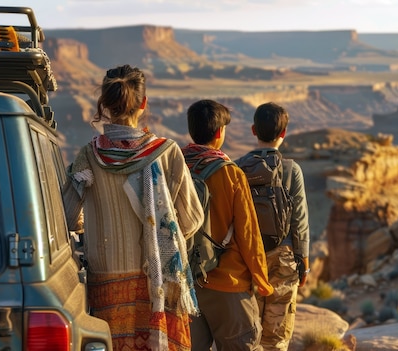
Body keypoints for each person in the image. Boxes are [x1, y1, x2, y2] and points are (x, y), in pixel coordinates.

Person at [63, 64, 204, 351]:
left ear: (104, 104)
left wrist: (89, 225)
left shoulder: (88, 156)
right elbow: (192, 218)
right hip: (158, 281)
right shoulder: (167, 152)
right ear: (143, 104)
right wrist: (161, 237)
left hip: (106, 279)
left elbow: (66, 216)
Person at [181, 99, 274, 351]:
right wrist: (262, 280)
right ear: (220, 133)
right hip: (229, 284)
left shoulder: (173, 167)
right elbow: (248, 234)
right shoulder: (231, 173)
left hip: (185, 283)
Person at [235, 102, 310, 351]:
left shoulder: (236, 168)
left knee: (249, 330)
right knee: (277, 334)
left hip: (247, 257)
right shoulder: (292, 170)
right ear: (284, 133)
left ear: (254, 130)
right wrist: (304, 262)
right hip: (284, 259)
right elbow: (299, 220)